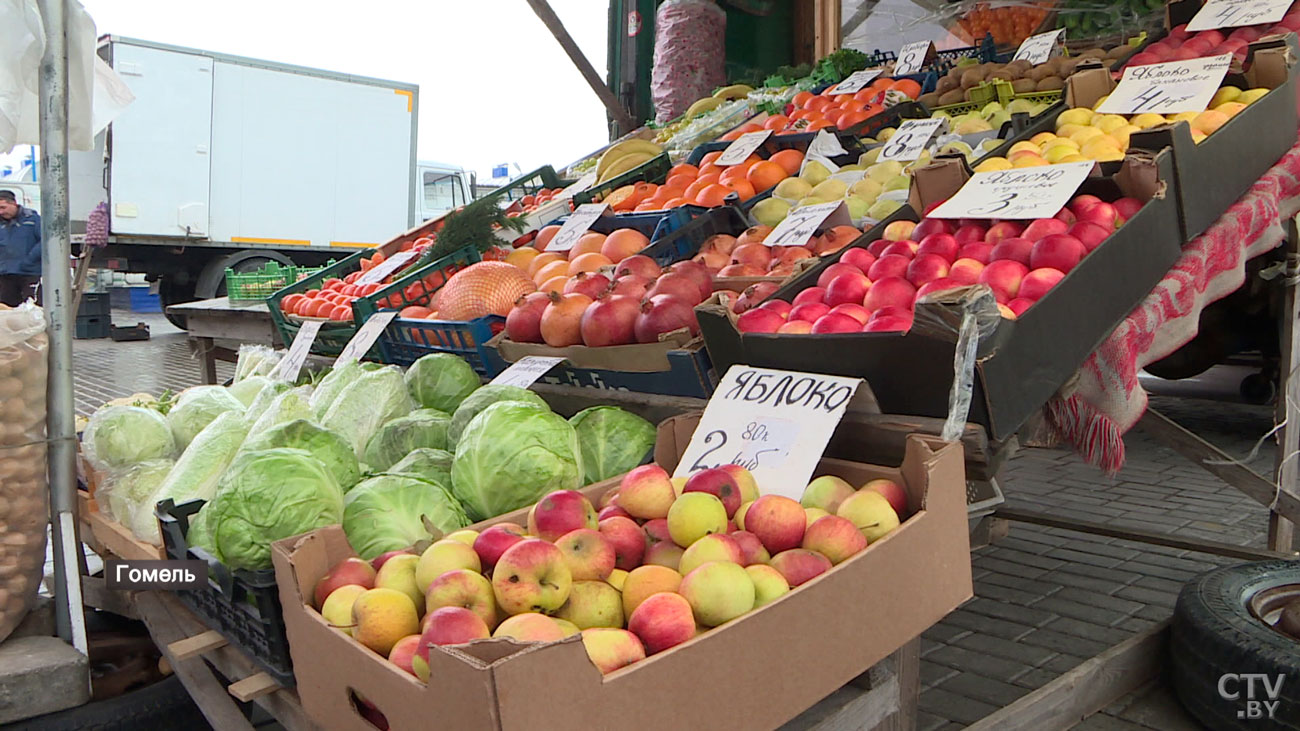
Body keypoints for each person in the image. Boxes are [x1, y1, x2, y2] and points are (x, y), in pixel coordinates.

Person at [0, 190, 41, 306]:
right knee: (7, 310)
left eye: (3, 207)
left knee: (32, 308)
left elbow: (45, 242)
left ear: (14, 203)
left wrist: (29, 261)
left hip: (30, 273)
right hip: (6, 274)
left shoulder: (33, 219)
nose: (1, 212)